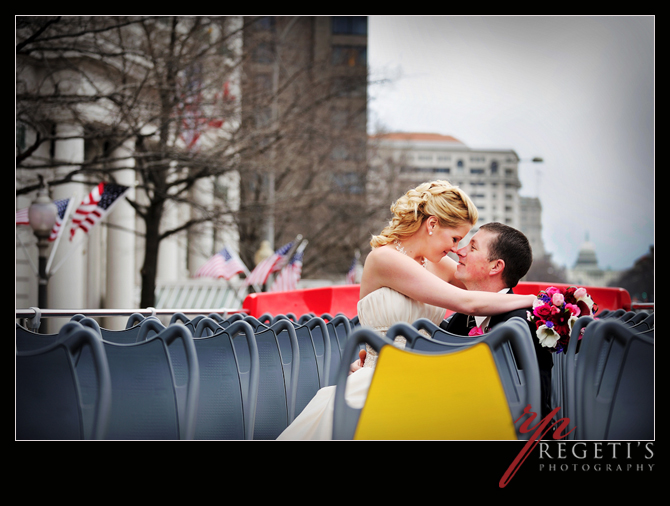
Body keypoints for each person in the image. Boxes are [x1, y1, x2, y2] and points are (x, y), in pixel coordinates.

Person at [276, 181, 536, 440]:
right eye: (455, 238)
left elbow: (489, 286)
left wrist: (548, 312)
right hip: (379, 380)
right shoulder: (383, 259)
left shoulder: (439, 265)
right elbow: (467, 302)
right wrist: (536, 300)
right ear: (432, 225)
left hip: (423, 384)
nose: (457, 249)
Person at [442, 222, 554, 421]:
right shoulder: (457, 321)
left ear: (496, 266)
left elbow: (534, 405)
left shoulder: (522, 325)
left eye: (472, 247)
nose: (460, 251)